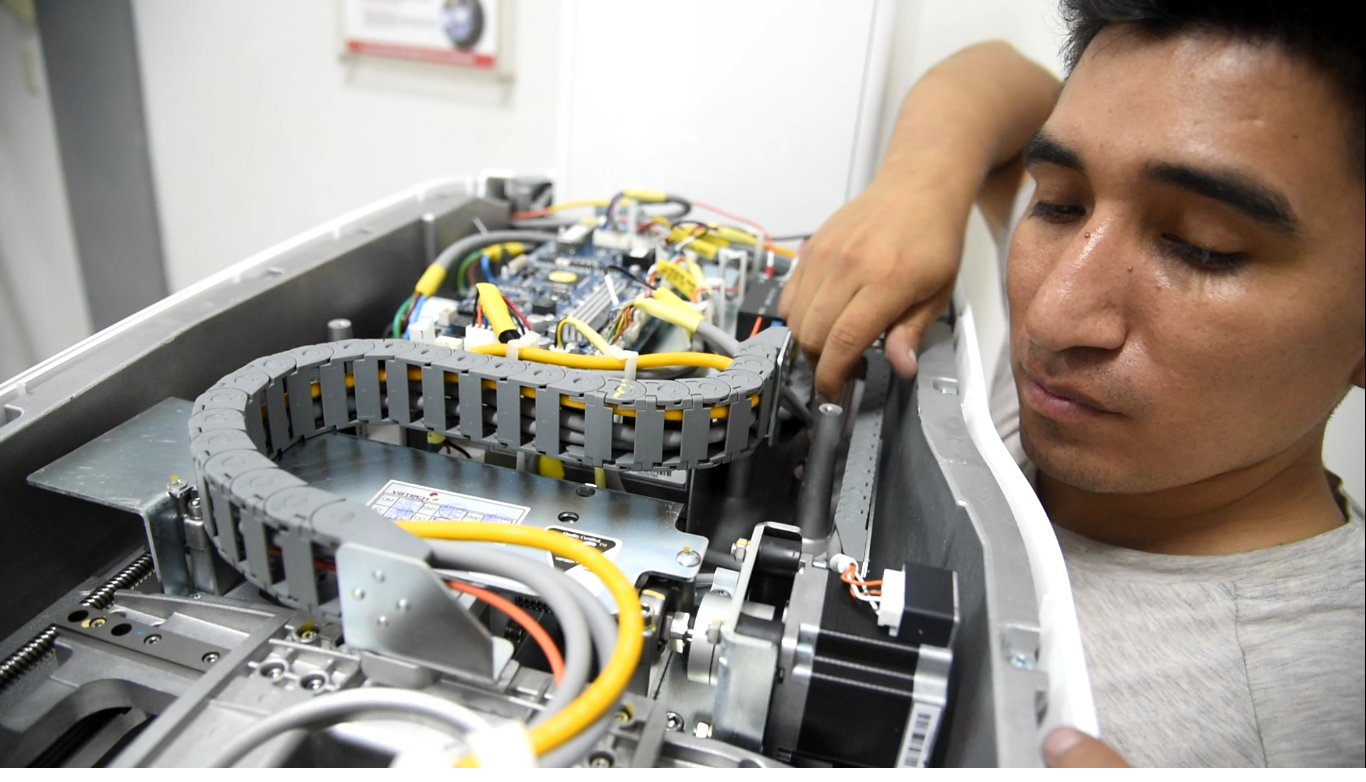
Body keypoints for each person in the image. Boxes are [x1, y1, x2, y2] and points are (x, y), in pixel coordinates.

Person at [779, 0, 1364, 768]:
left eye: (1202, 247)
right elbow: (999, 72)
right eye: (1058, 202)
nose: (1052, 318)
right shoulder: (1038, 389)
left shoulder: (1302, 728)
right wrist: (917, 189)